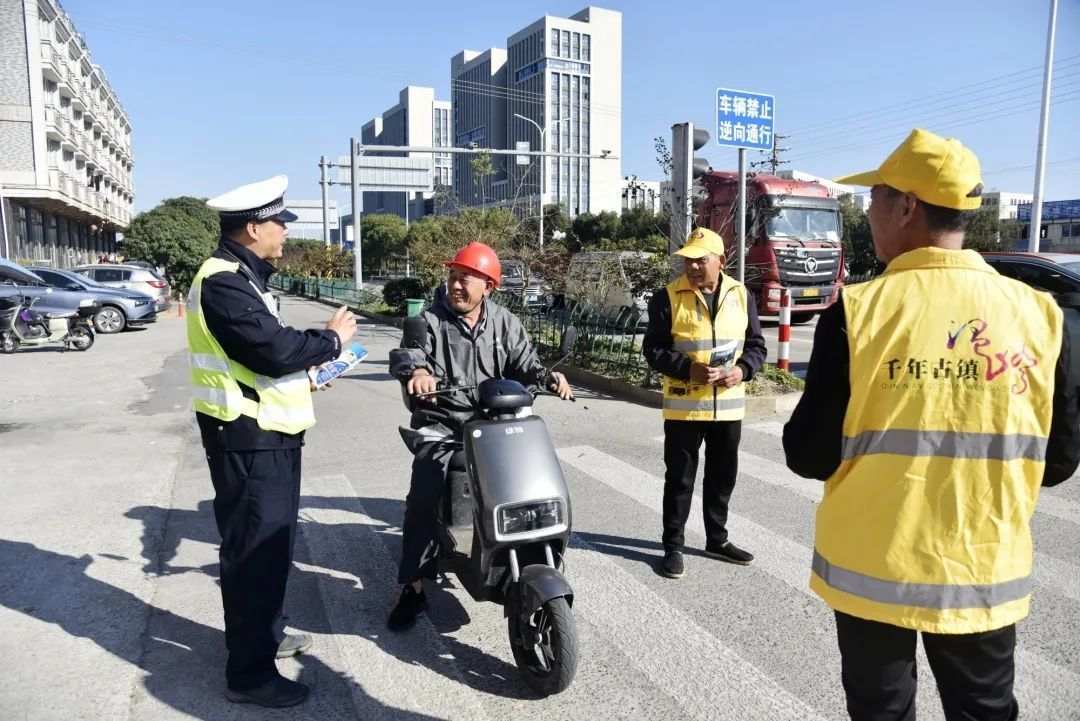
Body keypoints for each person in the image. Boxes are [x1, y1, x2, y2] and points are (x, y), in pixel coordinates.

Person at [783, 129, 1080, 721]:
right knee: (984, 709)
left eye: (874, 198)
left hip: (872, 569)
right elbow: (1059, 464)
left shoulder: (859, 311)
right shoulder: (1041, 314)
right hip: (982, 566)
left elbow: (809, 455)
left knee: (882, 710)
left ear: (906, 206)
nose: (868, 212)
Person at [188, 174, 356, 707]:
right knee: (253, 556)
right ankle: (250, 675)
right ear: (253, 228)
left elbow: (264, 359)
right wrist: (331, 341)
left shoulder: (244, 277)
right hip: (247, 439)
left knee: (272, 549)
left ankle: (268, 635)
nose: (285, 231)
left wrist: (309, 374)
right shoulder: (222, 281)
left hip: (268, 434)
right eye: (279, 222)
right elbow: (274, 350)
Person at [386, 241, 573, 631]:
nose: (456, 285)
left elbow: (526, 364)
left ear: (488, 286)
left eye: (465, 279)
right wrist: (418, 373)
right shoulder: (428, 322)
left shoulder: (505, 322)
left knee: (529, 482)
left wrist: (548, 377)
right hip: (445, 425)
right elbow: (410, 354)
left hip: (493, 425)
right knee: (423, 496)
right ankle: (413, 587)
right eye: (453, 277)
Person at [642, 227, 767, 579]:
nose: (693, 267)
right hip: (685, 408)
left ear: (721, 261)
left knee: (722, 477)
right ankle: (673, 546)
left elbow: (756, 346)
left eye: (701, 260)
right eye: (688, 261)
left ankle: (717, 539)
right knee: (679, 480)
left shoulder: (741, 295)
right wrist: (688, 369)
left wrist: (741, 371)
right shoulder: (667, 297)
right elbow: (653, 349)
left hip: (728, 407)